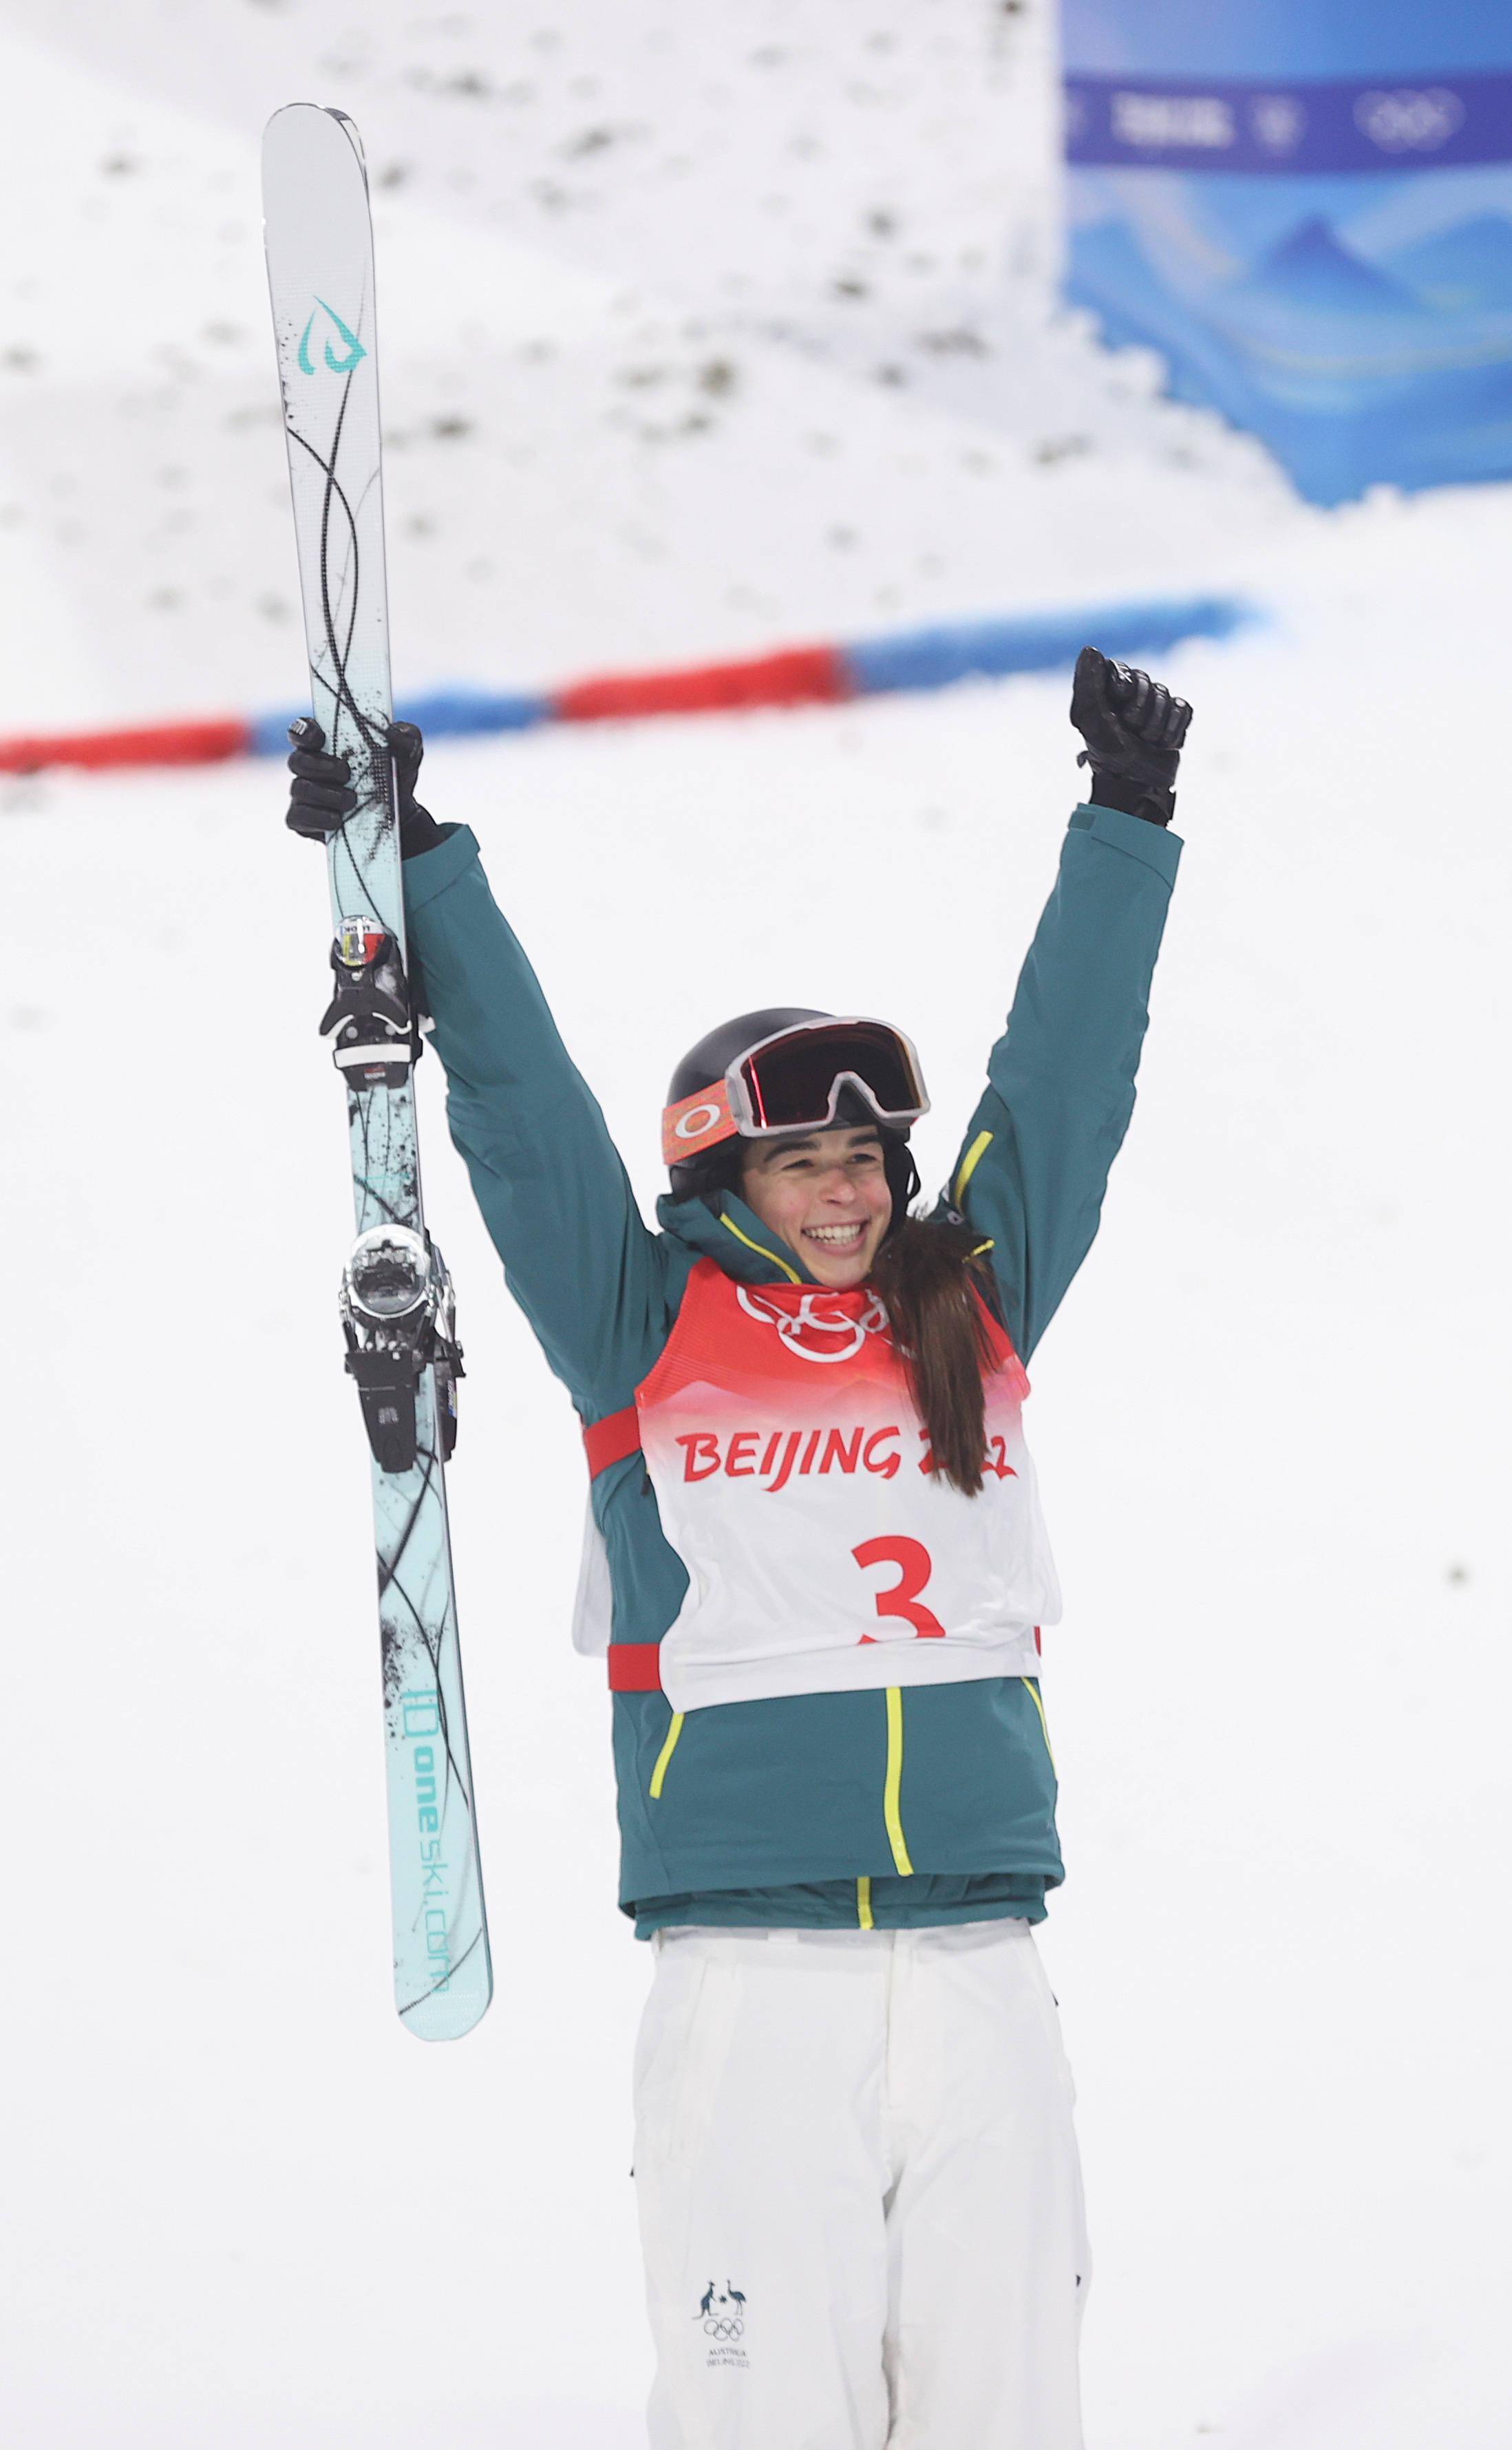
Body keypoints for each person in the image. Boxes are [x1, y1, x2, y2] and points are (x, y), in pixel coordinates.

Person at [286, 646, 1191, 2450]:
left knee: (1009, 2416)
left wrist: (1127, 825)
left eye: (869, 1156)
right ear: (723, 1189)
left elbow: (1068, 1087)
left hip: (984, 1972)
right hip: (750, 1984)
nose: (852, 1189)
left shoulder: (978, 1304)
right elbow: (528, 1116)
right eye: (805, 1163)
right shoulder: (644, 1326)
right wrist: (424, 865)